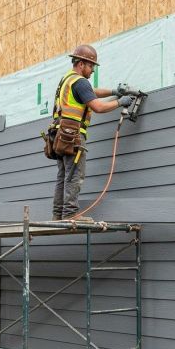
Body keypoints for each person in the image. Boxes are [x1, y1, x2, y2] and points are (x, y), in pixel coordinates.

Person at [51, 44, 135, 221]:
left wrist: (113, 91)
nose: (93, 71)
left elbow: (92, 92)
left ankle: (59, 215)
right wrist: (121, 102)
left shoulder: (68, 79)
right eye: (91, 66)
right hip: (73, 136)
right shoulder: (80, 82)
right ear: (81, 64)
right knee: (74, 175)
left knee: (63, 176)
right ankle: (70, 214)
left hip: (60, 136)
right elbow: (98, 106)